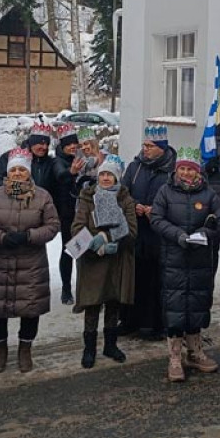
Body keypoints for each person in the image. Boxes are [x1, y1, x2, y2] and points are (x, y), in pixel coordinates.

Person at [0, 148, 60, 374]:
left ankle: (25, 349)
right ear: (7, 172)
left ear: (28, 172)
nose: (17, 174)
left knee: (30, 308)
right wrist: (2, 238)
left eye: (22, 170)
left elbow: (53, 226)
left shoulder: (42, 196)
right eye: (13, 169)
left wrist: (30, 236)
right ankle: (0, 350)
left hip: (30, 263)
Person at [149, 146, 220, 382]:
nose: (186, 174)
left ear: (198, 172)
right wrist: (178, 235)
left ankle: (195, 351)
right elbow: (156, 219)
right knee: (175, 306)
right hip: (174, 259)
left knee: (197, 304)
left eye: (190, 170)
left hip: (200, 259)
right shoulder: (165, 192)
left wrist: (206, 231)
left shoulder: (209, 194)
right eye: (182, 169)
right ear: (176, 170)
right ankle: (174, 356)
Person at [71, 155, 138, 369]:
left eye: (110, 175)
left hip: (117, 261)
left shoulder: (125, 199)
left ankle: (110, 345)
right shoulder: (86, 198)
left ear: (117, 177)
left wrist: (110, 238)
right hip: (92, 262)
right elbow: (77, 227)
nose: (106, 178)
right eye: (103, 174)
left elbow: (132, 231)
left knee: (113, 304)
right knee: (92, 305)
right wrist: (95, 243)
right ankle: (89, 349)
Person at [120, 125, 176, 339]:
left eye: (150, 146)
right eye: (144, 145)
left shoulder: (172, 170)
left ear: (161, 148)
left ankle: (155, 325)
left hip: (160, 235)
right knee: (135, 278)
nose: (145, 149)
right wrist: (133, 205)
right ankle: (131, 321)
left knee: (157, 281)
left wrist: (156, 210)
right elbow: (123, 193)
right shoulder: (135, 167)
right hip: (137, 232)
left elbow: (177, 199)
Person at [52, 124, 84, 304]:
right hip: (67, 214)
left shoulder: (80, 158)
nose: (73, 147)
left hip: (82, 213)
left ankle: (82, 288)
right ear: (62, 146)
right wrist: (71, 173)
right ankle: (66, 289)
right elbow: (60, 177)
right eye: (69, 144)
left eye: (75, 144)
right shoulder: (58, 161)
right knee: (69, 250)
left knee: (82, 249)